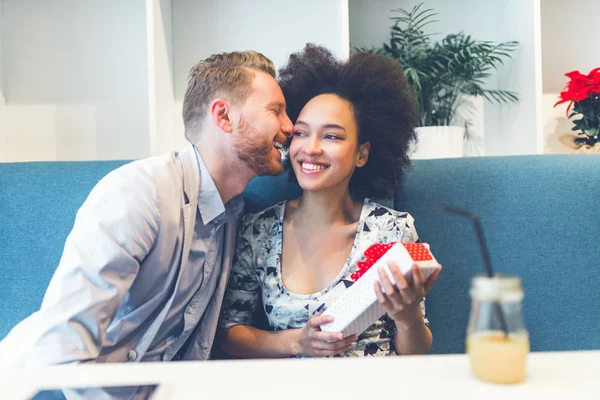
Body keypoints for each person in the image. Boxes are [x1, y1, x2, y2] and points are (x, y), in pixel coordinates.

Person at [0, 50, 294, 369]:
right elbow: (64, 349)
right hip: (46, 386)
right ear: (223, 116)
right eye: (275, 111)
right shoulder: (138, 192)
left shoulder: (233, 214)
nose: (289, 127)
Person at [218, 44, 441, 358]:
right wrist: (298, 341)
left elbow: (415, 354)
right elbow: (229, 334)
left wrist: (407, 316)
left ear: (362, 153)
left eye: (332, 136)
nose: (311, 148)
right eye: (300, 133)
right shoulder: (259, 230)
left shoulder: (392, 229)